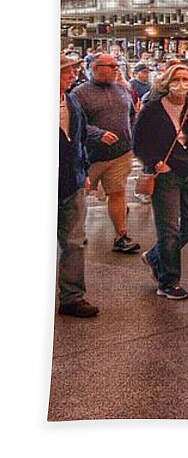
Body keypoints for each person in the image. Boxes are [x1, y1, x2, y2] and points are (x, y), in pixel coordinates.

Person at [133, 64, 188, 300]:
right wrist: (155, 162)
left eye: (186, 79)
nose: (181, 84)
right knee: (169, 229)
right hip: (165, 174)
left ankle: (156, 256)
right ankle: (168, 281)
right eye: (176, 79)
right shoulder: (152, 109)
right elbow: (139, 143)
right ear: (167, 82)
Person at [74, 53, 141, 254]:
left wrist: (131, 138)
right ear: (95, 68)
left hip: (120, 153)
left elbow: (131, 115)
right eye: (110, 65)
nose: (115, 68)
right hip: (90, 156)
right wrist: (97, 134)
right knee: (79, 196)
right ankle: (75, 233)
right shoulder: (79, 93)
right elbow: (75, 124)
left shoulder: (122, 89)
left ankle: (121, 236)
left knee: (118, 193)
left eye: (116, 65)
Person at [57, 54, 98, 318]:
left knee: (74, 241)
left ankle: (72, 297)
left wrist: (83, 170)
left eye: (72, 71)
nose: (72, 75)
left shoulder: (71, 102)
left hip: (71, 183)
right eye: (65, 72)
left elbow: (80, 140)